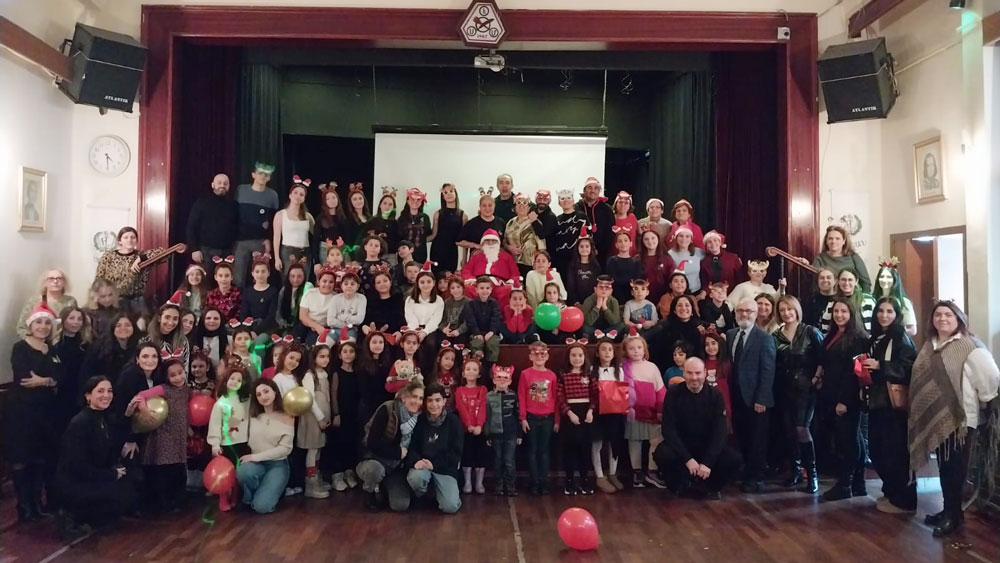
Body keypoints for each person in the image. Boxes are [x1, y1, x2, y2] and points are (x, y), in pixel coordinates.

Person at [908, 301, 999, 537]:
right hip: (937, 419)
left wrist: (985, 401)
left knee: (955, 470)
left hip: (960, 420)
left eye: (948, 315)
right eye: (938, 314)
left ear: (959, 319)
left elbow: (990, 378)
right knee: (944, 467)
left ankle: (954, 516)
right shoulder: (930, 345)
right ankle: (949, 509)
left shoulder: (970, 346)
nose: (942, 319)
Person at [55, 376, 139, 538]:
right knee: (121, 496)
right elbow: (76, 465)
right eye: (100, 391)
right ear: (88, 396)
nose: (106, 395)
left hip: (92, 475)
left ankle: (91, 517)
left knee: (130, 490)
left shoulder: (103, 417)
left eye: (109, 391)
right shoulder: (80, 423)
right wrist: (111, 474)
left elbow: (113, 442)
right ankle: (72, 515)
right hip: (76, 482)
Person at [653, 358, 741, 500]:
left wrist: (708, 462)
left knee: (733, 458)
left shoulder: (716, 395)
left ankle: (711, 487)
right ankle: (680, 484)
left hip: (707, 446)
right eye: (690, 373)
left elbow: (720, 432)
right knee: (662, 454)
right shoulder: (673, 393)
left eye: (698, 373)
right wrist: (688, 459)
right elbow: (668, 429)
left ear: (705, 373)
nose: (694, 377)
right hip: (682, 445)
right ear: (683, 373)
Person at [7, 302, 62, 522]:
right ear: (30, 325)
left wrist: (46, 380)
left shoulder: (53, 350)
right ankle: (24, 506)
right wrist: (50, 380)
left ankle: (37, 503)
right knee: (22, 457)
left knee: (40, 457)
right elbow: (25, 379)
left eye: (47, 323)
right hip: (21, 411)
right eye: (38, 322)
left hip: (46, 412)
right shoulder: (20, 348)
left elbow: (60, 377)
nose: (43, 326)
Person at [864, 297, 918, 514]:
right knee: (879, 450)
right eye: (880, 311)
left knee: (896, 452)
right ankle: (891, 493)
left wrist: (880, 366)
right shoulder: (877, 337)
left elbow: (908, 368)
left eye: (889, 311)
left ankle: (904, 501)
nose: (884, 315)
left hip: (893, 405)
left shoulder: (901, 338)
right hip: (878, 401)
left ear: (897, 315)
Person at [818, 298, 870, 502]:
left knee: (848, 441)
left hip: (847, 397)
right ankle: (859, 483)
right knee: (854, 438)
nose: (839, 315)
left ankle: (845, 484)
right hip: (833, 393)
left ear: (852, 314)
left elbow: (853, 373)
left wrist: (845, 401)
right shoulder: (833, 334)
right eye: (836, 311)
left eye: (844, 312)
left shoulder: (858, 338)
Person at [772, 295, 824, 494]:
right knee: (788, 430)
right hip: (784, 388)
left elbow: (822, 358)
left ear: (797, 310)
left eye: (790, 309)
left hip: (806, 388)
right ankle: (795, 471)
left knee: (802, 429)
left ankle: (812, 474)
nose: (786, 313)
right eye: (782, 310)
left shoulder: (810, 331)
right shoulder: (776, 336)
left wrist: (816, 378)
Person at [726, 298, 777, 494]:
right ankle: (746, 471)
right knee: (743, 436)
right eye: (741, 311)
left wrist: (762, 398)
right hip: (736, 396)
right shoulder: (731, 335)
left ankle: (756, 478)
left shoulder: (765, 338)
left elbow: (768, 370)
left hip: (757, 398)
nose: (744, 314)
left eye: (749, 311)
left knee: (757, 440)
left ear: (756, 314)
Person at [356, 380, 424, 511]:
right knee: (375, 470)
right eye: (414, 396)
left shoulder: (418, 418)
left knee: (400, 505)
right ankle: (369, 492)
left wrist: (413, 460)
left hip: (396, 468)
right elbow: (372, 442)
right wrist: (397, 452)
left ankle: (385, 488)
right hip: (374, 460)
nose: (418, 401)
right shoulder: (388, 409)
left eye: (421, 398)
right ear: (404, 397)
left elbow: (414, 448)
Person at [138, 359, 190, 513]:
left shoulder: (186, 390)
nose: (178, 378)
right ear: (166, 377)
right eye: (173, 375)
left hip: (180, 435)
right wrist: (144, 411)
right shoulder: (163, 389)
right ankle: (164, 503)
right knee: (165, 468)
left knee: (179, 467)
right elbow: (141, 395)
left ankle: (177, 500)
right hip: (164, 435)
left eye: (180, 373)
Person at [237, 378, 295, 514]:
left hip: (277, 465)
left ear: (274, 391)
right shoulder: (253, 416)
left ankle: (270, 490)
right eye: (259, 394)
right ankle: (258, 490)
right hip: (256, 464)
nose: (263, 396)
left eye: (266, 391)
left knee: (262, 507)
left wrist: (255, 457)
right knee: (243, 471)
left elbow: (285, 449)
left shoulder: (288, 416)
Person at [621, 328, 667, 489]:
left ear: (644, 349)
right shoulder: (623, 368)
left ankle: (652, 472)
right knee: (635, 441)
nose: (636, 351)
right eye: (632, 348)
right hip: (633, 413)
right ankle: (637, 472)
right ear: (626, 351)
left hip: (652, 412)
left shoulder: (652, 367)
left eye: (639, 347)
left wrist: (660, 410)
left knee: (656, 440)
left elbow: (660, 390)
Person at [206, 357, 251, 511]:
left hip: (243, 442)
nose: (235, 382)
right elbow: (215, 425)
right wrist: (215, 444)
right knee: (225, 472)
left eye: (239, 380)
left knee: (238, 473)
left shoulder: (246, 401)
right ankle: (223, 498)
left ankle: (235, 497)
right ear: (225, 380)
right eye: (232, 378)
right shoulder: (220, 404)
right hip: (227, 444)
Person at [94, 228, 162, 323]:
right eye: (126, 237)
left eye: (133, 237)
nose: (129, 240)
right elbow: (99, 279)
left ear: (136, 240)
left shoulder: (141, 255)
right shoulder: (109, 256)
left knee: (140, 327)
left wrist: (140, 258)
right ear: (120, 241)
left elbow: (163, 253)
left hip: (137, 301)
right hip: (115, 300)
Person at [519, 341, 560, 495]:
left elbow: (556, 399)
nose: (539, 356)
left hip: (548, 418)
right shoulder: (525, 374)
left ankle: (544, 482)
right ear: (530, 356)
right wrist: (523, 418)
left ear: (547, 356)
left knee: (544, 451)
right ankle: (534, 482)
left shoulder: (552, 375)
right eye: (536, 354)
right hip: (531, 418)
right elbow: (522, 396)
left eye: (542, 354)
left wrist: (557, 420)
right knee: (532, 451)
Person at [558, 342, 598, 495]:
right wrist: (569, 413)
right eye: (573, 355)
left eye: (580, 355)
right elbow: (560, 397)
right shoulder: (563, 376)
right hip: (570, 415)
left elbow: (595, 395)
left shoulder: (589, 375)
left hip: (586, 414)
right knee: (570, 449)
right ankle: (569, 481)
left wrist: (591, 411)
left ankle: (585, 480)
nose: (577, 358)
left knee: (584, 449)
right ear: (568, 357)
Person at [233, 162, 280, 288]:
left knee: (260, 276)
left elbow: (274, 221)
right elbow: (233, 215)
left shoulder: (272, 195)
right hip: (240, 241)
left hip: (260, 241)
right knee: (238, 277)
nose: (263, 176)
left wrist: (268, 239)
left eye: (266, 175)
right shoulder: (240, 190)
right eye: (260, 173)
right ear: (253, 174)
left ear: (269, 178)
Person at [591, 338, 627, 494]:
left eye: (610, 349)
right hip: (598, 412)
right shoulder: (592, 370)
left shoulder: (619, 371)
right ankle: (599, 476)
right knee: (597, 443)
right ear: (597, 353)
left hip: (615, 412)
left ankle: (612, 473)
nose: (607, 352)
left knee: (614, 443)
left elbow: (621, 391)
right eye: (603, 349)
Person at [187, 173, 239, 279]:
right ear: (213, 185)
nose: (222, 185)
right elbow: (191, 226)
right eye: (219, 183)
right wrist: (194, 249)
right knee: (206, 282)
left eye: (225, 183)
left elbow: (238, 227)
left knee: (226, 282)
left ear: (229, 186)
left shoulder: (234, 205)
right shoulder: (202, 203)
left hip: (228, 252)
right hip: (206, 251)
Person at [299, 345, 333, 499]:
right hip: (313, 418)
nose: (325, 359)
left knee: (318, 448)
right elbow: (310, 399)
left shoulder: (324, 374)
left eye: (327, 356)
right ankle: (310, 483)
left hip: (323, 417)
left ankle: (317, 477)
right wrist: (320, 417)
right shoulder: (309, 375)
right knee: (312, 449)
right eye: (321, 356)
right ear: (313, 358)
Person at [796, 225, 871, 293]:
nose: (833, 241)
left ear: (844, 241)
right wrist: (806, 265)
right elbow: (813, 279)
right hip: (828, 297)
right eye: (830, 238)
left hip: (851, 298)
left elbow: (866, 282)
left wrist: (864, 298)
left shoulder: (853, 257)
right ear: (826, 241)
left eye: (837, 238)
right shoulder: (820, 257)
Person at [327, 341, 360, 492]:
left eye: (351, 351)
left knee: (351, 443)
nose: (348, 354)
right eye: (345, 351)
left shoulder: (357, 372)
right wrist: (336, 414)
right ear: (339, 355)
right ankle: (337, 475)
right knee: (338, 443)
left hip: (353, 413)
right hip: (341, 413)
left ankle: (349, 472)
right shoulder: (336, 373)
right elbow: (333, 394)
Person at [52, 307, 92, 432]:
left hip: (81, 391)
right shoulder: (54, 344)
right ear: (63, 320)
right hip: (60, 393)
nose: (76, 322)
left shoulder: (86, 344)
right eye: (71, 318)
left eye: (79, 319)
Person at [460, 229, 519, 308]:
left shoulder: (507, 257)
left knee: (508, 290)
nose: (490, 243)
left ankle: (499, 314)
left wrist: (510, 282)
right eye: (487, 241)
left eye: (493, 241)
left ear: (498, 243)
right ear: (483, 243)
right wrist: (471, 279)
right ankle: (473, 313)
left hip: (499, 285)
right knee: (468, 288)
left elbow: (515, 273)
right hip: (479, 284)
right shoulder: (476, 257)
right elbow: (466, 270)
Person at [454, 358, 488, 495]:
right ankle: (467, 482)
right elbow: (461, 409)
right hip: (465, 430)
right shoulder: (459, 390)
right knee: (466, 454)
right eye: (468, 369)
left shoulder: (483, 389)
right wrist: (468, 425)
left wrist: (479, 425)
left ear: (479, 374)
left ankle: (479, 482)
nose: (471, 372)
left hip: (480, 429)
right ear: (463, 373)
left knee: (481, 455)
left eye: (474, 369)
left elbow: (483, 407)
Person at [404, 265, 446, 372]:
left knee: (430, 344)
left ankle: (427, 373)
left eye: (428, 282)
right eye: (422, 282)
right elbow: (410, 316)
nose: (425, 285)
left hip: (430, 329)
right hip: (413, 328)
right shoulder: (410, 299)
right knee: (410, 344)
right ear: (417, 284)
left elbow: (436, 319)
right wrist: (415, 331)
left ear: (434, 283)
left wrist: (424, 332)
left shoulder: (439, 300)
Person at [17, 268, 78, 338]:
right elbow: (22, 327)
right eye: (51, 279)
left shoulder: (70, 301)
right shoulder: (34, 301)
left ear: (64, 282)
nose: (55, 281)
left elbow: (75, 325)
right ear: (45, 282)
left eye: (59, 278)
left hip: (63, 341)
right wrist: (33, 341)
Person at [272, 176, 315, 276]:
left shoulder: (308, 216)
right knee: (288, 279)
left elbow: (316, 234)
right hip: (288, 252)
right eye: (295, 193)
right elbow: (276, 238)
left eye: (301, 194)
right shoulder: (280, 214)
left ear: (304, 199)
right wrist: (277, 258)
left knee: (303, 279)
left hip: (305, 252)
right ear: (290, 195)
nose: (298, 196)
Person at [81, 313, 138, 383]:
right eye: (118, 325)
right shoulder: (98, 348)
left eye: (128, 325)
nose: (123, 328)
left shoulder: (139, 347)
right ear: (113, 328)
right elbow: (87, 373)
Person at [820, 268, 876, 333]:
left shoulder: (868, 300)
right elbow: (825, 327)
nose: (846, 283)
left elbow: (876, 323)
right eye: (843, 279)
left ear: (856, 281)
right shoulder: (832, 303)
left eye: (850, 280)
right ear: (838, 281)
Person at [427, 183, 467, 272]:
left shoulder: (463, 215)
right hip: (437, 251)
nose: (449, 194)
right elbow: (433, 235)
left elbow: (464, 240)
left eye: (451, 191)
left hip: (452, 252)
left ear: (455, 193)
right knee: (437, 277)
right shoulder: (437, 214)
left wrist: (464, 258)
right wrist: (419, 242)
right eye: (445, 192)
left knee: (450, 277)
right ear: (443, 196)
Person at [464, 276, 503, 368]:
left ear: (491, 289)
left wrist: (492, 331)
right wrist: (476, 332)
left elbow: (496, 317)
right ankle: (477, 365)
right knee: (476, 344)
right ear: (477, 290)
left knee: (493, 343)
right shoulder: (471, 304)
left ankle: (490, 367)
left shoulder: (494, 303)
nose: (485, 291)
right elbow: (470, 319)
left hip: (491, 332)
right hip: (477, 332)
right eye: (482, 288)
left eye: (487, 288)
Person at [574, 177, 614, 264]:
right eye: (590, 188)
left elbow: (610, 234)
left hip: (601, 255)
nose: (593, 191)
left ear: (599, 191)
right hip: (579, 255)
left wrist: (599, 250)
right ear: (584, 190)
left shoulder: (607, 209)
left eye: (596, 188)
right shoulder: (576, 208)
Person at [140, 302, 190, 370]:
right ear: (159, 318)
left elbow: (185, 368)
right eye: (167, 317)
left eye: (175, 319)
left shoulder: (183, 340)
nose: (170, 322)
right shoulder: (146, 340)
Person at [872, 259, 917, 335]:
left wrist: (891, 334)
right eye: (882, 277)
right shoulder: (873, 299)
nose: (885, 280)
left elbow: (912, 330)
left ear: (895, 279)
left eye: (888, 277)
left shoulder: (904, 302)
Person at [505, 192, 545, 277]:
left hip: (530, 264)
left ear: (529, 207)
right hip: (512, 263)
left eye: (525, 203)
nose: (521, 206)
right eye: (518, 203)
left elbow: (542, 245)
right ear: (515, 207)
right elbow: (504, 241)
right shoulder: (510, 222)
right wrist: (509, 247)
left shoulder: (534, 222)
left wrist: (539, 262)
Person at [458, 192, 506, 259]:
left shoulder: (501, 222)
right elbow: (459, 242)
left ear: (494, 206)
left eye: (490, 205)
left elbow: (505, 242)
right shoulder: (472, 223)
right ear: (480, 207)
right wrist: (475, 245)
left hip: (497, 261)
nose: (487, 208)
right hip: (477, 261)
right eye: (484, 206)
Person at [297, 267, 337, 343]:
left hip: (323, 327)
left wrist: (320, 327)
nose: (327, 284)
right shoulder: (310, 293)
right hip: (307, 323)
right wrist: (315, 326)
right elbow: (302, 315)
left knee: (311, 343)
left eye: (331, 282)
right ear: (318, 282)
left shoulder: (336, 298)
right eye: (324, 281)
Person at [552, 189, 587, 275]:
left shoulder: (581, 217)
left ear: (573, 201)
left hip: (577, 259)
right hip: (561, 260)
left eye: (568, 198)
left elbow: (587, 238)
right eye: (562, 198)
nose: (566, 200)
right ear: (559, 203)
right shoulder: (557, 220)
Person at [326, 270, 366, 343]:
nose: (349, 286)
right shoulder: (335, 298)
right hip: (335, 329)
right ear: (341, 286)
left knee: (347, 346)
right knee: (322, 344)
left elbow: (359, 320)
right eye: (346, 284)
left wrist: (340, 317)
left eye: (352, 284)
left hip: (351, 330)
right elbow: (330, 321)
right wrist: (349, 323)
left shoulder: (361, 298)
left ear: (357, 286)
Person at [581, 275, 625, 342]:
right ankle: (603, 337)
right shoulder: (589, 300)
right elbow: (588, 322)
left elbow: (615, 322)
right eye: (601, 287)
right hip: (593, 329)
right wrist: (597, 307)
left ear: (611, 291)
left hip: (608, 330)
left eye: (607, 288)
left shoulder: (614, 301)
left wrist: (605, 308)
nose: (604, 290)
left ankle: (604, 336)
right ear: (595, 289)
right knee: (584, 327)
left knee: (621, 325)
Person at [664, 227, 705, 295]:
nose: (684, 239)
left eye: (687, 236)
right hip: (679, 293)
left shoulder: (699, 252)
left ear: (691, 240)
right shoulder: (670, 254)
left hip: (697, 292)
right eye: (681, 236)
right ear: (676, 238)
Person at [566, 227, 602, 306]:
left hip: (593, 302)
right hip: (577, 303)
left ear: (591, 248)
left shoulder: (596, 265)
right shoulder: (572, 266)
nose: (584, 249)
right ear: (577, 248)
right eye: (581, 246)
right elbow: (571, 286)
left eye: (587, 246)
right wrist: (575, 302)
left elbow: (598, 285)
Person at [363, 270, 406, 336]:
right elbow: (367, 321)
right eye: (378, 282)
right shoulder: (370, 301)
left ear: (390, 282)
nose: (382, 284)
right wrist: (365, 327)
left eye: (385, 281)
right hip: (375, 335)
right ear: (375, 286)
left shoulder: (399, 299)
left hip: (394, 335)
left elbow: (402, 319)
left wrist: (400, 332)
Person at [315, 182, 348, 267]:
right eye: (328, 199)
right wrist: (316, 261)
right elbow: (316, 240)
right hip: (325, 249)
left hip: (340, 249)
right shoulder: (320, 218)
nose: (332, 200)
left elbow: (346, 237)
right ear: (324, 201)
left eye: (334, 197)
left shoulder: (343, 217)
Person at [606, 230, 642, 304]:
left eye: (625, 240)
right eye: (620, 241)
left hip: (632, 299)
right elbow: (612, 280)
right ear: (616, 245)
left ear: (631, 243)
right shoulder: (612, 260)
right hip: (615, 298)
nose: (623, 243)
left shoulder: (636, 262)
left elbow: (636, 282)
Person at [396, 188, 431, 263]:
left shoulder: (425, 218)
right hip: (404, 256)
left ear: (421, 201)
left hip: (420, 255)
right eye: (412, 199)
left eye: (418, 199)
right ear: (408, 201)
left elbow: (428, 234)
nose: (415, 201)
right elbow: (398, 237)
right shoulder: (401, 218)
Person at [276, 263, 312, 333]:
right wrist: (282, 322)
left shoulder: (308, 287)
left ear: (304, 276)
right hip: (286, 323)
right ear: (288, 277)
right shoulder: (284, 290)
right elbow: (278, 311)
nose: (295, 280)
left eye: (299, 276)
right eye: (292, 276)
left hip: (302, 325)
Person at [638, 226, 668, 304]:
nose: (650, 241)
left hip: (662, 300)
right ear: (642, 242)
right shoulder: (636, 259)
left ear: (658, 239)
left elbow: (671, 280)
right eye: (646, 239)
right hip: (641, 300)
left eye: (653, 238)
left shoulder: (667, 259)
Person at [611, 191, 638, 255]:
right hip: (614, 257)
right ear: (616, 204)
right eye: (620, 202)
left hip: (631, 256)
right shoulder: (610, 218)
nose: (623, 205)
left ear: (630, 205)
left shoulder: (632, 217)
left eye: (626, 203)